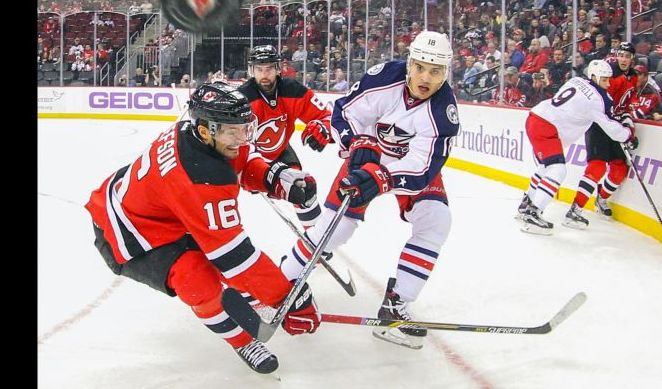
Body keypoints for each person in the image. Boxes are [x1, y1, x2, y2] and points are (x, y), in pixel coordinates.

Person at [84, 83, 322, 374]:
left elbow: (240, 159)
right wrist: (290, 299)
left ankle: (248, 298)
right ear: (204, 130)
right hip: (128, 231)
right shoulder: (197, 177)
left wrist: (276, 177)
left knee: (224, 261)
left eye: (245, 128)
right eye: (232, 132)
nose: (241, 138)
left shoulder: (204, 136)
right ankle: (242, 340)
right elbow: (235, 259)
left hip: (163, 211)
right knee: (197, 280)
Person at [279, 30, 460, 349]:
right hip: (367, 156)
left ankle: (396, 306)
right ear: (409, 64)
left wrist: (383, 177)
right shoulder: (384, 78)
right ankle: (281, 285)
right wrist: (351, 140)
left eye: (435, 71)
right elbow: (345, 113)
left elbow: (422, 168)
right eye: (420, 67)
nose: (426, 77)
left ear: (446, 72)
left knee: (436, 220)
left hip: (402, 168)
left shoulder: (444, 113)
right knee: (335, 231)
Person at [517, 60, 636, 234]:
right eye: (604, 80)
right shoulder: (599, 99)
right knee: (558, 171)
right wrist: (629, 134)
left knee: (545, 167)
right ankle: (533, 213)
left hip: (536, 117)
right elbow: (613, 130)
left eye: (609, 79)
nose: (608, 83)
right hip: (547, 127)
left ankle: (526, 202)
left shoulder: (576, 80)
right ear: (594, 77)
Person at [238, 45, 333, 230]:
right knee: (219, 190)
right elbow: (231, 141)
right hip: (249, 158)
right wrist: (252, 173)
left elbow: (326, 116)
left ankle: (316, 237)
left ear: (278, 68)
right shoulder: (242, 98)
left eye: (269, 69)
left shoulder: (292, 90)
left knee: (303, 187)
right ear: (252, 70)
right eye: (259, 69)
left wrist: (323, 127)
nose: (264, 74)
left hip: (280, 151)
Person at [566, 41, 639, 224]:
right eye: (620, 55)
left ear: (632, 59)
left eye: (627, 56)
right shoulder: (609, 72)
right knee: (597, 166)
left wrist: (628, 125)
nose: (623, 59)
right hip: (598, 124)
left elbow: (627, 104)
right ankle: (576, 208)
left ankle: (601, 197)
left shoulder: (633, 77)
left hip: (614, 125)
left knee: (619, 169)